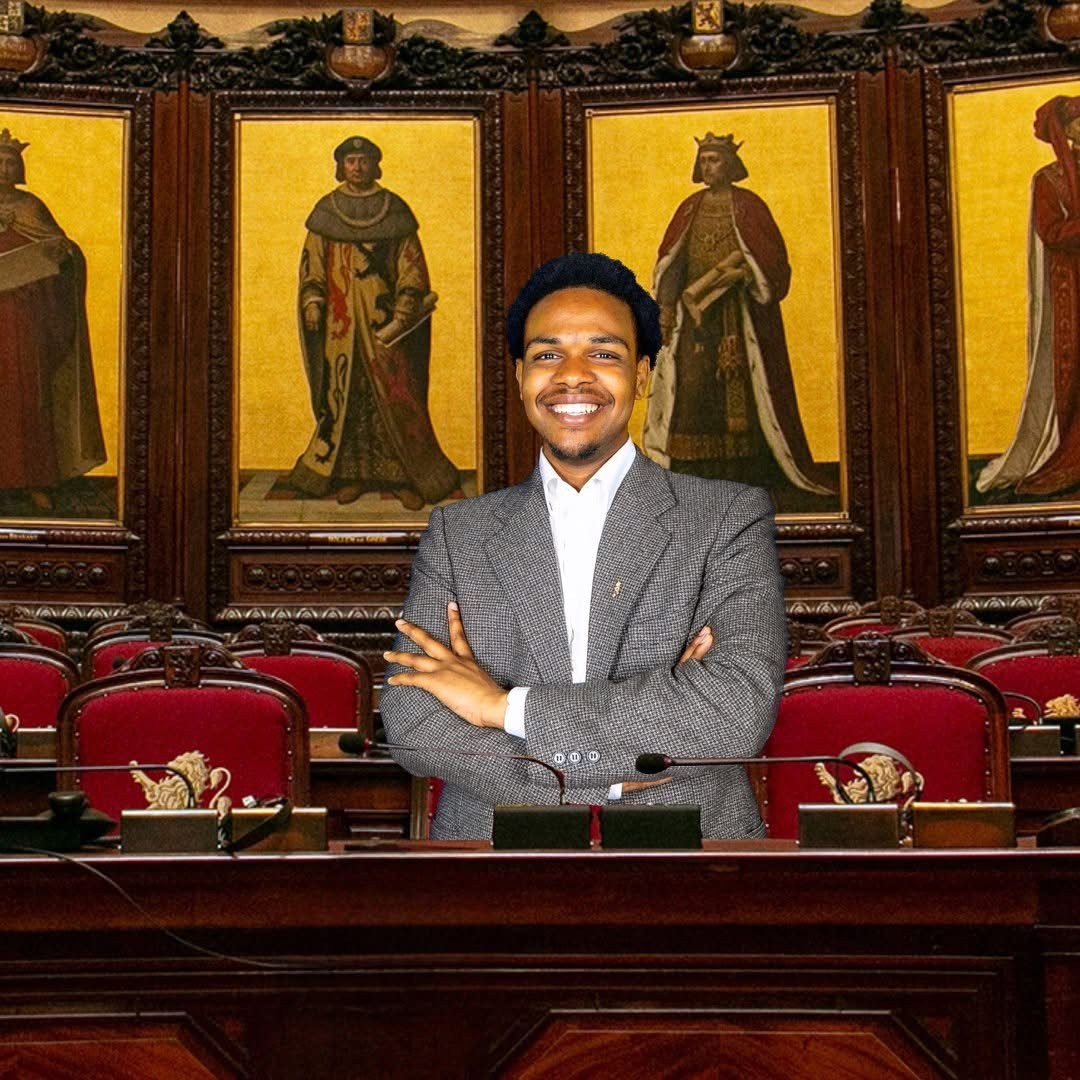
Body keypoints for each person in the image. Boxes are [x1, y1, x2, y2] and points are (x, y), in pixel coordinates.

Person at [380, 252, 785, 840]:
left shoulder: (726, 518)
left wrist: (502, 708)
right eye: (547, 355)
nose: (573, 375)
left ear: (642, 374)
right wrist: (613, 770)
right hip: (496, 857)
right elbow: (414, 720)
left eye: (603, 353)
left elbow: (732, 714)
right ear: (520, 376)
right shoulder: (457, 532)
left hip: (688, 855)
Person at [643, 132, 833, 498]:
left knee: (744, 390)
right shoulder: (689, 208)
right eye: (703, 160)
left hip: (739, 314)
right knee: (694, 389)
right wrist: (666, 309)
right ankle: (694, 473)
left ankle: (743, 471)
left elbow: (772, 261)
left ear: (730, 165)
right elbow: (673, 262)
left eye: (714, 160)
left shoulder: (749, 207)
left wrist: (745, 272)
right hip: (695, 318)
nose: (707, 166)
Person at [288, 135, 460, 510]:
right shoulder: (326, 211)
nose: (357, 167)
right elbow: (312, 263)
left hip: (386, 327)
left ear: (374, 164)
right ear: (341, 166)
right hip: (342, 329)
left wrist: (404, 309)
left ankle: (406, 477)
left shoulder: (394, 209)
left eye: (363, 160)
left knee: (399, 395)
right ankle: (351, 476)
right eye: (350, 160)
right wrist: (313, 301)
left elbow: (410, 263)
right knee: (344, 400)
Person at [978, 96, 1080, 498]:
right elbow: (1052, 232)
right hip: (1073, 287)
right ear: (1066, 132)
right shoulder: (1049, 180)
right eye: (1079, 123)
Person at [0, 128, 106, 511]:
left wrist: (63, 255)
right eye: (0, 161)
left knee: (27, 397)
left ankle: (32, 479)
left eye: (11, 161)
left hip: (24, 320)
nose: (5, 167)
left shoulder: (31, 207)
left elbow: (62, 253)